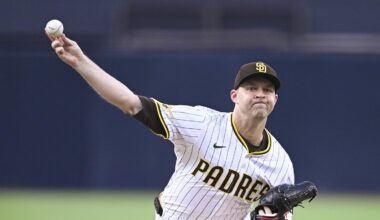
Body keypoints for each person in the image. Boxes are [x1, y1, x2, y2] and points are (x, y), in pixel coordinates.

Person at [47, 33, 294, 220]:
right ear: (234, 96)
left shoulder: (280, 163)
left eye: (267, 90)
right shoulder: (201, 123)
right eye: (251, 88)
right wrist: (80, 61)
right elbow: (131, 104)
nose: (260, 94)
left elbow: (279, 216)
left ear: (275, 100)